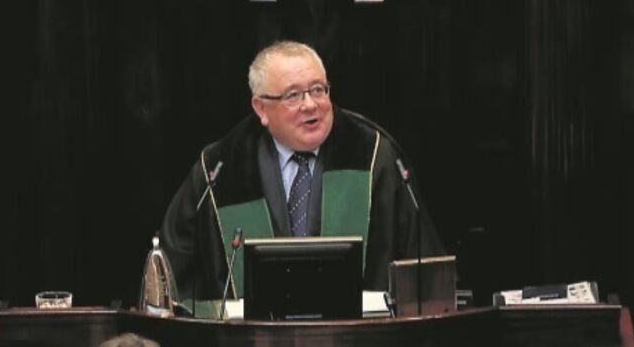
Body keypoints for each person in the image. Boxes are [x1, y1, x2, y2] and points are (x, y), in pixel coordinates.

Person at [160, 40, 444, 306]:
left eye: (318, 90)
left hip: (360, 335)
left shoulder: (374, 157)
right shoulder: (220, 170)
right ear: (261, 108)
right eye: (293, 95)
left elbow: (423, 270)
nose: (310, 105)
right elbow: (174, 278)